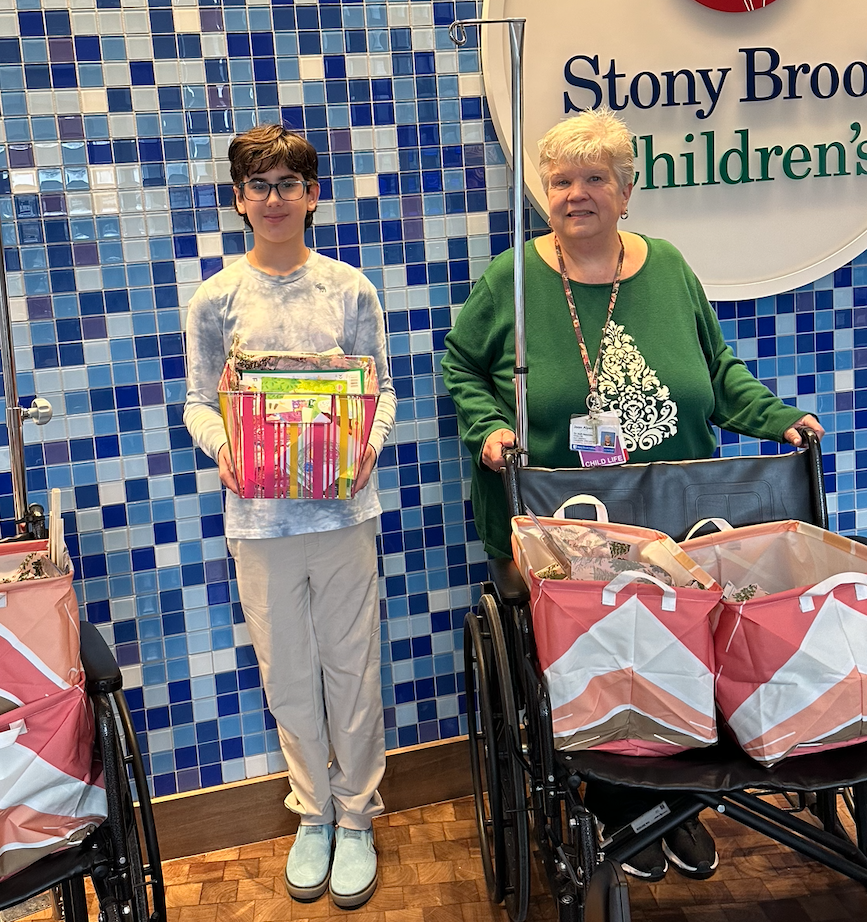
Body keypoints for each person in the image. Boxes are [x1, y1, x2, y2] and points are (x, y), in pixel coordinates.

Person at [441, 107, 824, 882]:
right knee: (607, 654)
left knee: (690, 647)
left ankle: (678, 805)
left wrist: (780, 419)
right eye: (560, 181)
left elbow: (717, 375)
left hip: (675, 517)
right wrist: (487, 429)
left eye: (593, 179)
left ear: (625, 192)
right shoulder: (510, 279)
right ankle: (627, 806)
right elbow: (462, 367)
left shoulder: (670, 266)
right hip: (562, 525)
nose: (574, 194)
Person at [183, 124, 396, 909]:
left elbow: (382, 393)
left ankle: (358, 813)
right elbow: (199, 403)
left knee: (353, 667)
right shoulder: (216, 299)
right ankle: (313, 811)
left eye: (289, 184)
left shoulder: (351, 290)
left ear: (314, 195)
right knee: (289, 675)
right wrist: (223, 453)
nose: (274, 199)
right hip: (260, 522)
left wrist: (367, 443)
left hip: (342, 512)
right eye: (259, 185)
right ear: (239, 200)